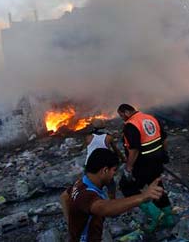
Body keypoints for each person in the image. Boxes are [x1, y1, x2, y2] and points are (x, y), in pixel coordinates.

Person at [60, 148, 163, 242]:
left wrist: (71, 225)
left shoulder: (81, 182)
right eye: (114, 170)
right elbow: (105, 208)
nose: (114, 174)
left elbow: (64, 196)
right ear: (104, 170)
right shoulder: (87, 194)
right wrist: (142, 196)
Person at [116, 103, 174, 231]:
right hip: (157, 160)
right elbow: (164, 139)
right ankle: (169, 217)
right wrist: (164, 154)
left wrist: (129, 168)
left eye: (121, 116)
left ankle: (154, 213)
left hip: (142, 164)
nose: (122, 118)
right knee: (157, 186)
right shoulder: (151, 118)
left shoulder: (130, 125)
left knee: (128, 187)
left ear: (126, 112)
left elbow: (134, 149)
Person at [84, 128, 126, 199]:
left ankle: (92, 201)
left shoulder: (88, 137)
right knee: (111, 185)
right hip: (104, 164)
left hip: (90, 164)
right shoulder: (108, 137)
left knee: (90, 185)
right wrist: (122, 158)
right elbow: (116, 150)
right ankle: (112, 202)